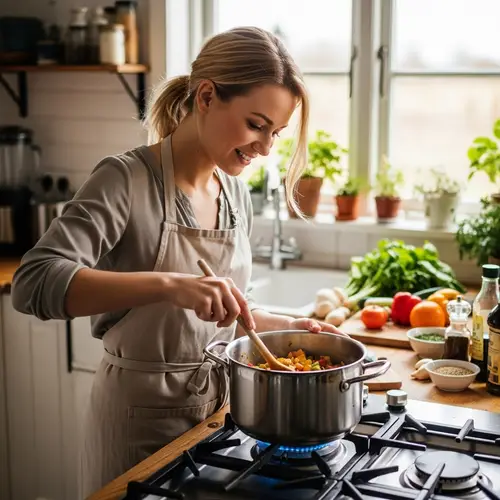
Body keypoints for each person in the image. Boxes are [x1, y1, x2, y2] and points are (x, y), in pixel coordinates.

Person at [11, 26, 344, 496]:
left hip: (216, 418)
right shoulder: (124, 179)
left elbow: (222, 315)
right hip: (136, 424)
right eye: (256, 124)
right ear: (206, 96)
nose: (266, 148)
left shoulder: (233, 191)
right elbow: (33, 283)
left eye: (276, 132)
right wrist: (170, 285)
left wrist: (287, 327)